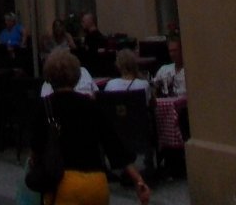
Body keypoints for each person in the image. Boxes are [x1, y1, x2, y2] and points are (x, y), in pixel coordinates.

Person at [30, 48, 151, 205]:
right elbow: (114, 146)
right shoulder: (91, 106)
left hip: (62, 185)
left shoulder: (45, 107)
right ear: (76, 75)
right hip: (96, 184)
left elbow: (36, 149)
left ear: (50, 77)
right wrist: (138, 180)